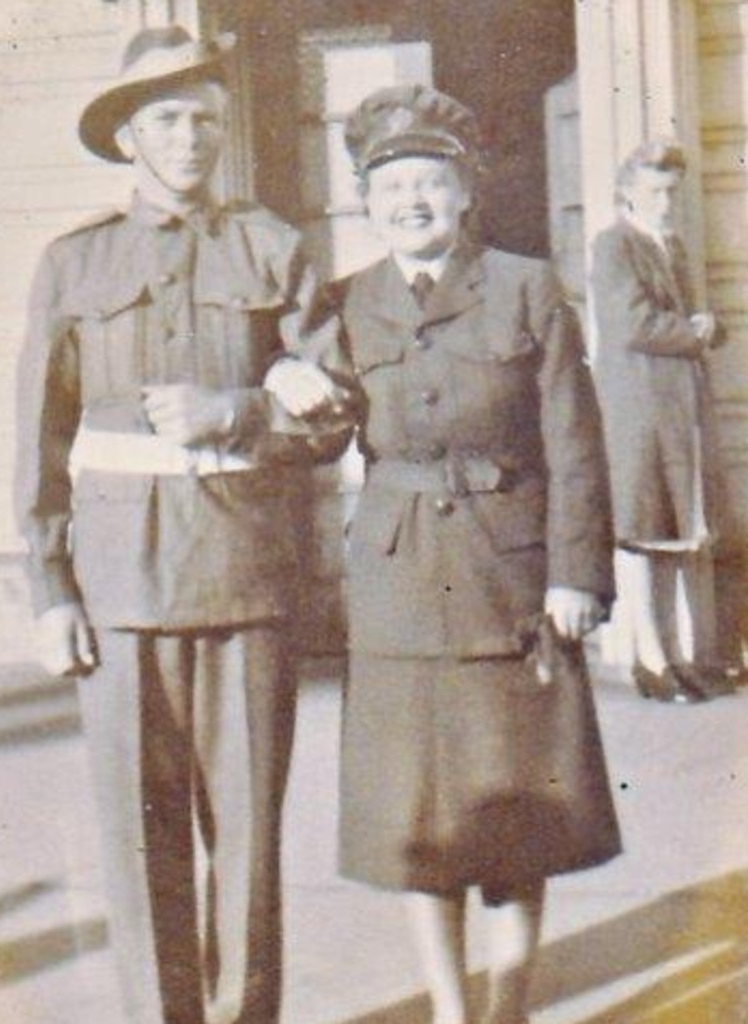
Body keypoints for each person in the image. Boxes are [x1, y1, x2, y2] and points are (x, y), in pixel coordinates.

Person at [15, 25, 345, 1024]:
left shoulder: (272, 248)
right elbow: (41, 438)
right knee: (137, 838)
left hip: (244, 582)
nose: (193, 137)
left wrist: (238, 411)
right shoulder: (74, 264)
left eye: (206, 118)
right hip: (118, 592)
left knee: (245, 842)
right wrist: (50, 587)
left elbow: (335, 413)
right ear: (128, 139)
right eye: (168, 119)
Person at [279, 84, 621, 1024]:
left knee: (520, 812)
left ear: (466, 193)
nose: (410, 204)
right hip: (397, 590)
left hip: (510, 579)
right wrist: (285, 376)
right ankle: (448, 1008)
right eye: (389, 190)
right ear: (367, 204)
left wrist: (575, 575)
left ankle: (508, 1006)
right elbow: (318, 435)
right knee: (417, 820)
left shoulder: (527, 287)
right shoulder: (349, 305)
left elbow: (576, 443)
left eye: (429, 183)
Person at [591, 138, 734, 704]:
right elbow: (632, 324)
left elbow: (690, 319)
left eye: (672, 190)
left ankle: (679, 654)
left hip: (678, 405)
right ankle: (649, 659)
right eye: (654, 190)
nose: (666, 201)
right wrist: (695, 332)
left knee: (677, 530)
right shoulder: (614, 245)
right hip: (638, 405)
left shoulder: (669, 245)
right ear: (628, 191)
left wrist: (707, 327)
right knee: (641, 529)